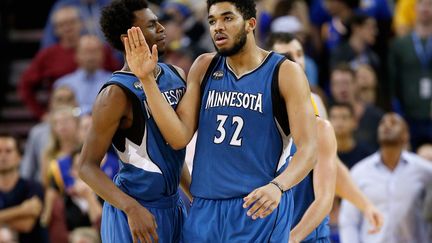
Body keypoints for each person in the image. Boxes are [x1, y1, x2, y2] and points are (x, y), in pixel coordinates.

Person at [124, 0, 318, 242]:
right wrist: (147, 80)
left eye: (227, 18)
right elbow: (178, 137)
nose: (218, 27)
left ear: (250, 24)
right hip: (205, 210)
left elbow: (309, 149)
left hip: (255, 208)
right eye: (212, 21)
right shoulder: (204, 66)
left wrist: (278, 186)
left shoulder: (285, 72)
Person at [78, 0, 191, 242]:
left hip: (173, 206)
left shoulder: (176, 75)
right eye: (152, 25)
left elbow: (170, 149)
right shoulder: (116, 94)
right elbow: (86, 166)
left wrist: (195, 195)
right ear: (127, 37)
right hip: (134, 208)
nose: (162, 28)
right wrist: (130, 207)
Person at [268, 31, 383, 242]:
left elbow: (331, 168)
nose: (297, 61)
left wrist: (364, 204)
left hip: (306, 230)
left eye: (300, 54)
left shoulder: (315, 103)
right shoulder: (259, 107)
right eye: (287, 56)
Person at [339, 112, 432, 243]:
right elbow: (348, 220)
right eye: (383, 123)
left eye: (394, 123)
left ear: (406, 135)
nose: (387, 125)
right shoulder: (360, 171)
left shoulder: (423, 170)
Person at [0, 133, 48, 243]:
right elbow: (24, 217)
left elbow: (26, 225)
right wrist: (22, 210)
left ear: (19, 157)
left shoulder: (33, 187)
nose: (3, 156)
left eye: (8, 151)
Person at [53, 34, 113, 114]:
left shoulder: (113, 83)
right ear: (76, 55)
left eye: (94, 51)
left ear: (102, 54)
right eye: (86, 52)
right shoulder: (62, 84)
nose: (90, 57)